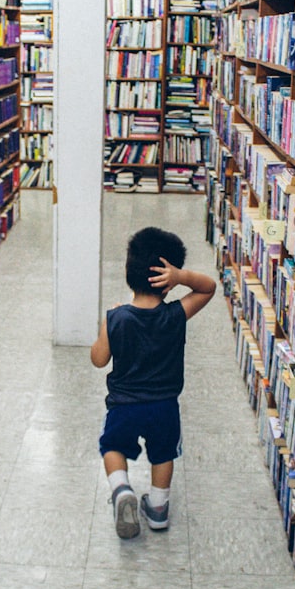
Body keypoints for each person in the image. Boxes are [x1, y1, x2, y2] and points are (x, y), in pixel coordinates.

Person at [90, 227, 217, 539]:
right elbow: (209, 288)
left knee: (113, 447)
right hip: (164, 406)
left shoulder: (116, 318)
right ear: (168, 284)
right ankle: (158, 509)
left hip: (123, 407)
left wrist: (104, 328)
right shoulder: (175, 315)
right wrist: (182, 276)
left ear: (128, 273)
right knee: (163, 454)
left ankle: (121, 491)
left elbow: (98, 359)